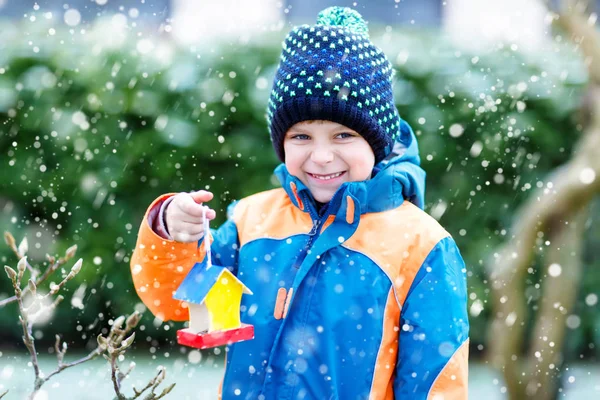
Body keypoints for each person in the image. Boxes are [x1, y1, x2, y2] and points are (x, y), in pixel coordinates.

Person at [130, 6, 469, 400]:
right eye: (301, 137)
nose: (321, 156)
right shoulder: (251, 222)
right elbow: (173, 298)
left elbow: (435, 381)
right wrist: (170, 233)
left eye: (343, 136)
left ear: (376, 143)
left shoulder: (422, 246)